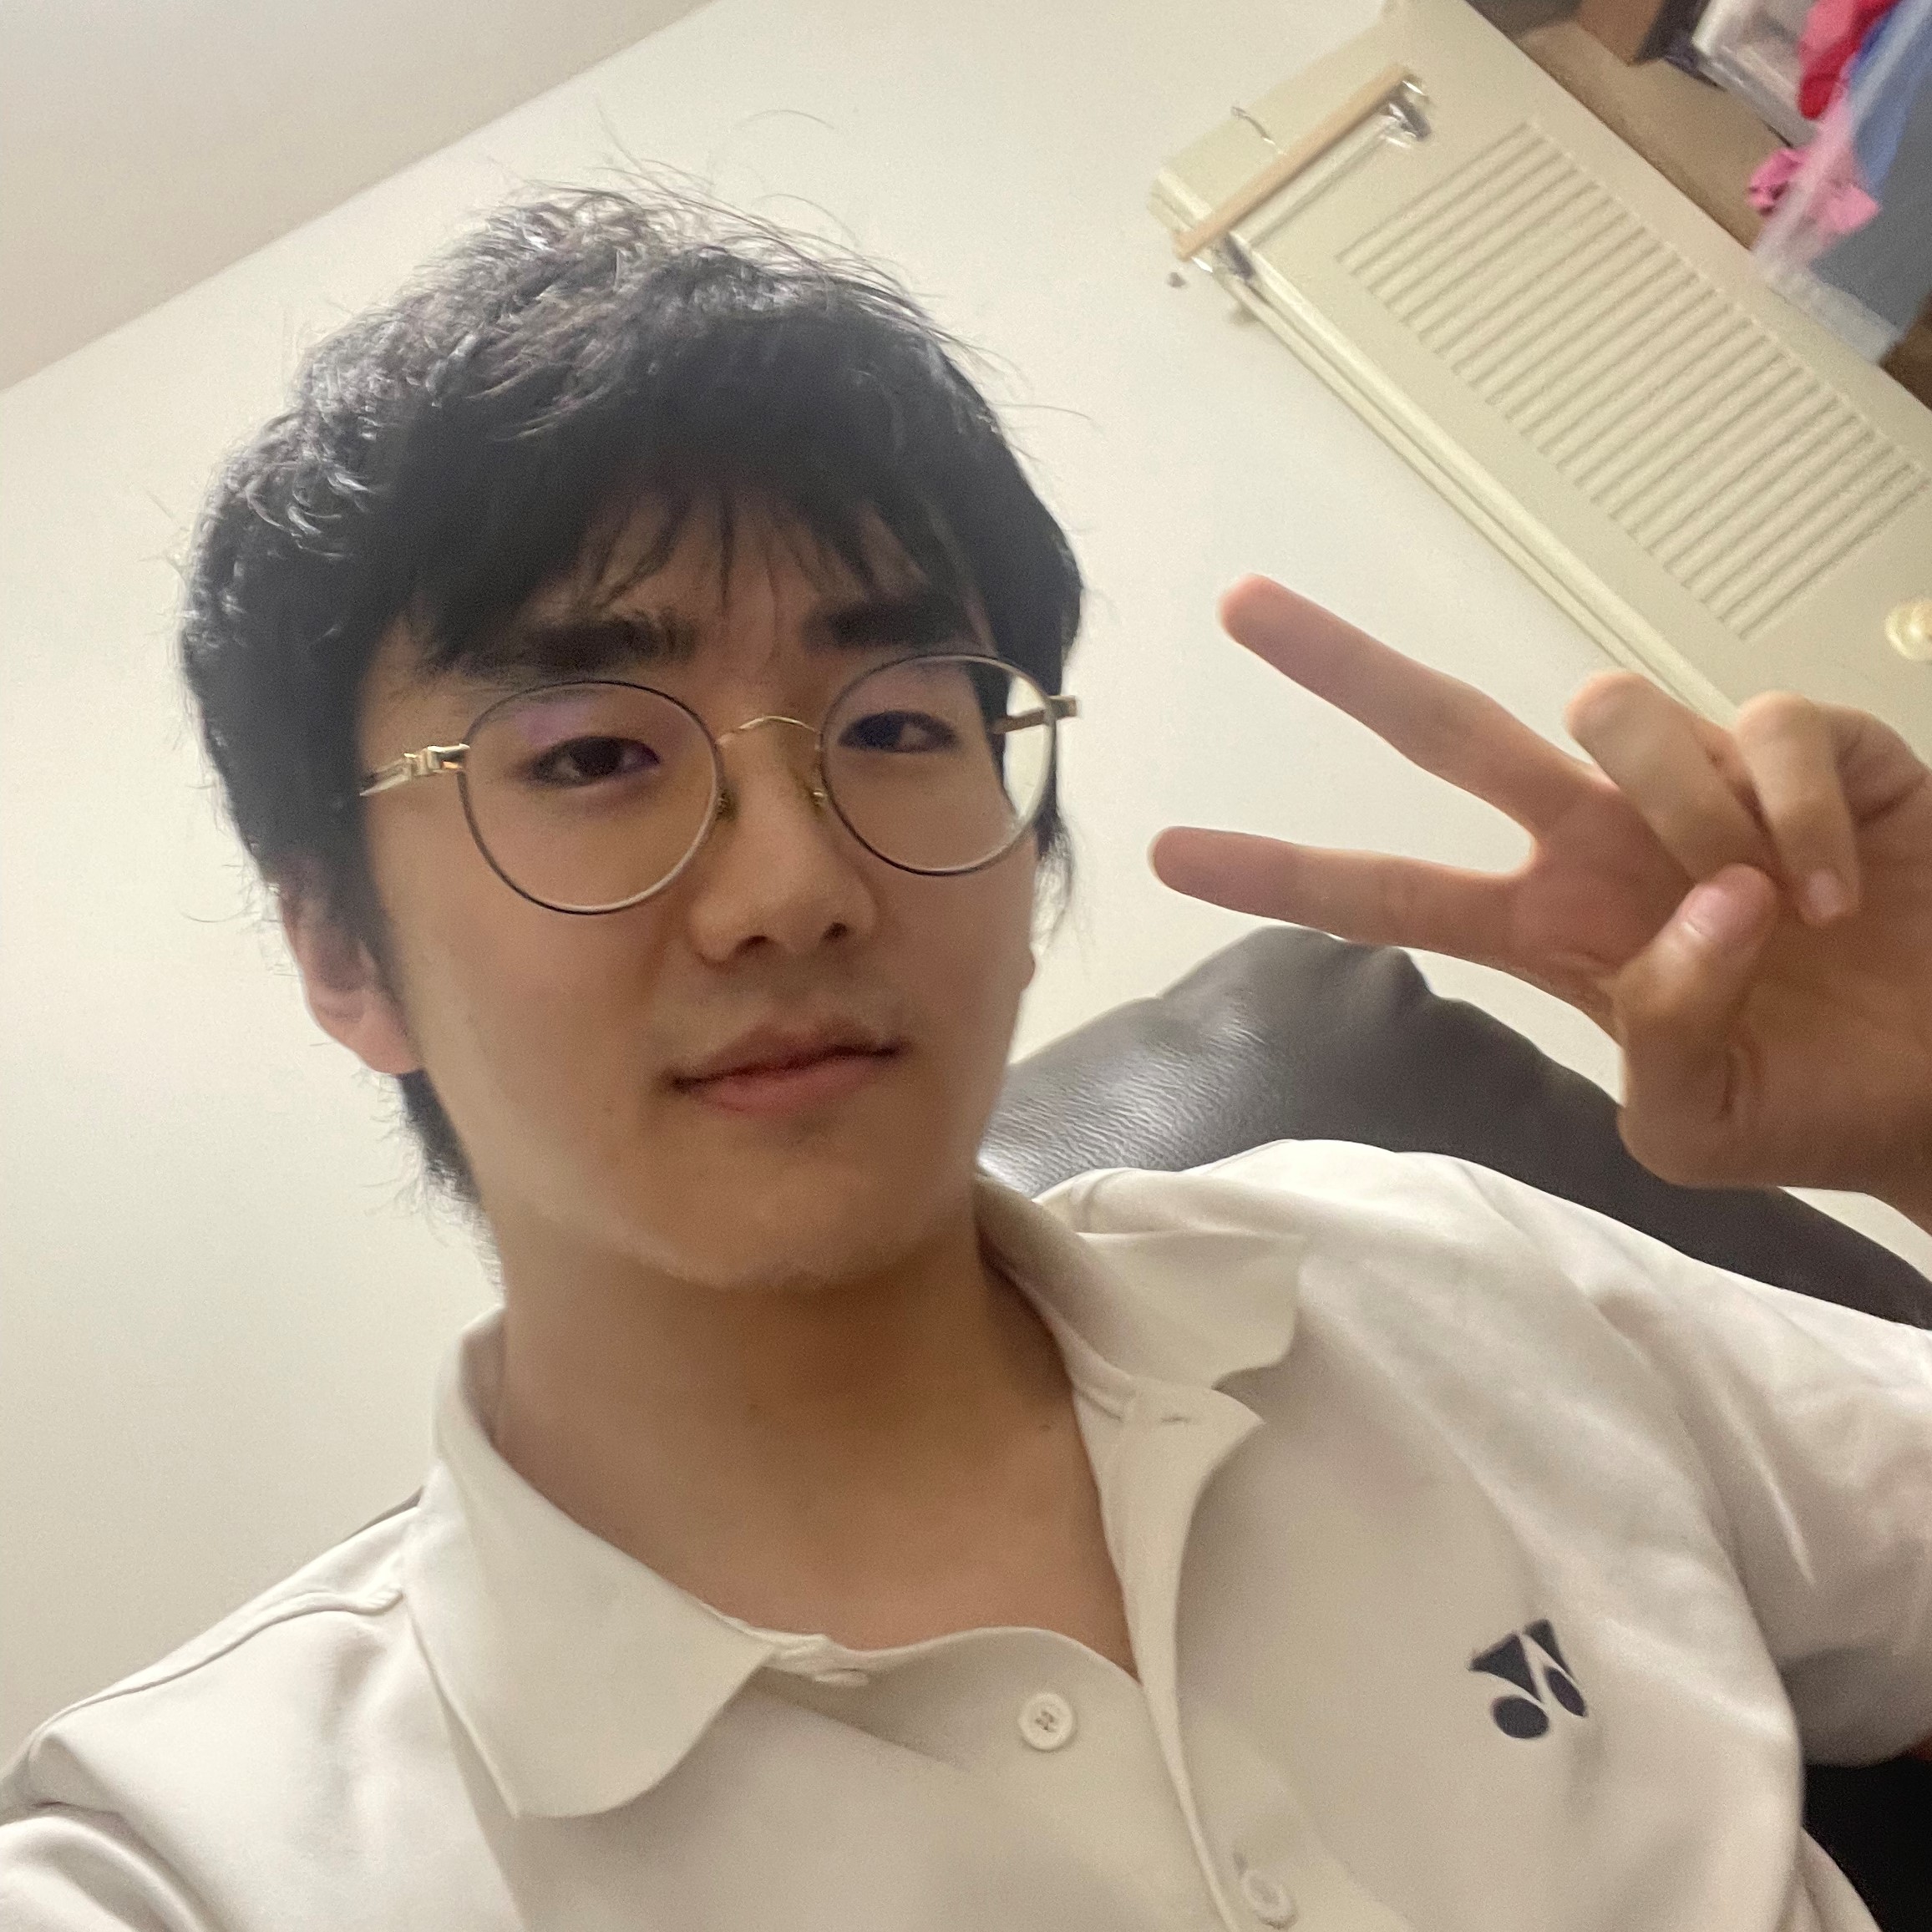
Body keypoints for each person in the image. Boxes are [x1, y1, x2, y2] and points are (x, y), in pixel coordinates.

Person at [1, 189, 1928, 1932]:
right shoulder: (199, 1858)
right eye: (590, 752)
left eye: (901, 719)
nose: (794, 884)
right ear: (343, 950)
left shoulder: (1434, 1271)